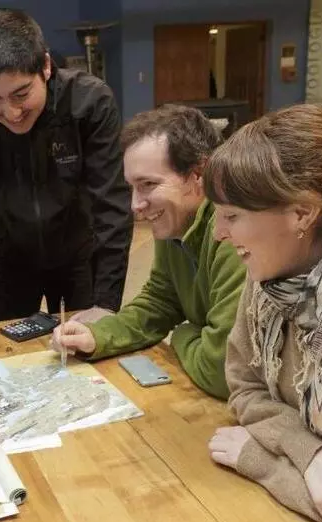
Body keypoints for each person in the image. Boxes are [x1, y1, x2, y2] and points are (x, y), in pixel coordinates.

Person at [204, 104, 322, 522]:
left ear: (302, 214)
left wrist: (265, 463)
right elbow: (245, 386)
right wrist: (315, 454)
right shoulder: (272, 273)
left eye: (232, 215)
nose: (217, 234)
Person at [0, 8, 133, 357]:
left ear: (46, 66)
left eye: (21, 94)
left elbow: (112, 207)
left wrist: (106, 302)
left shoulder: (89, 101)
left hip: (79, 253)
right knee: (5, 355)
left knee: (87, 352)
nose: (11, 112)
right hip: (7, 256)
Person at [51, 105, 245, 399]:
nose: (135, 204)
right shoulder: (177, 221)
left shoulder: (235, 236)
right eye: (131, 187)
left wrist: (182, 332)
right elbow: (160, 301)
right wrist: (98, 336)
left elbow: (221, 370)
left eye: (148, 185)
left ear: (199, 175)